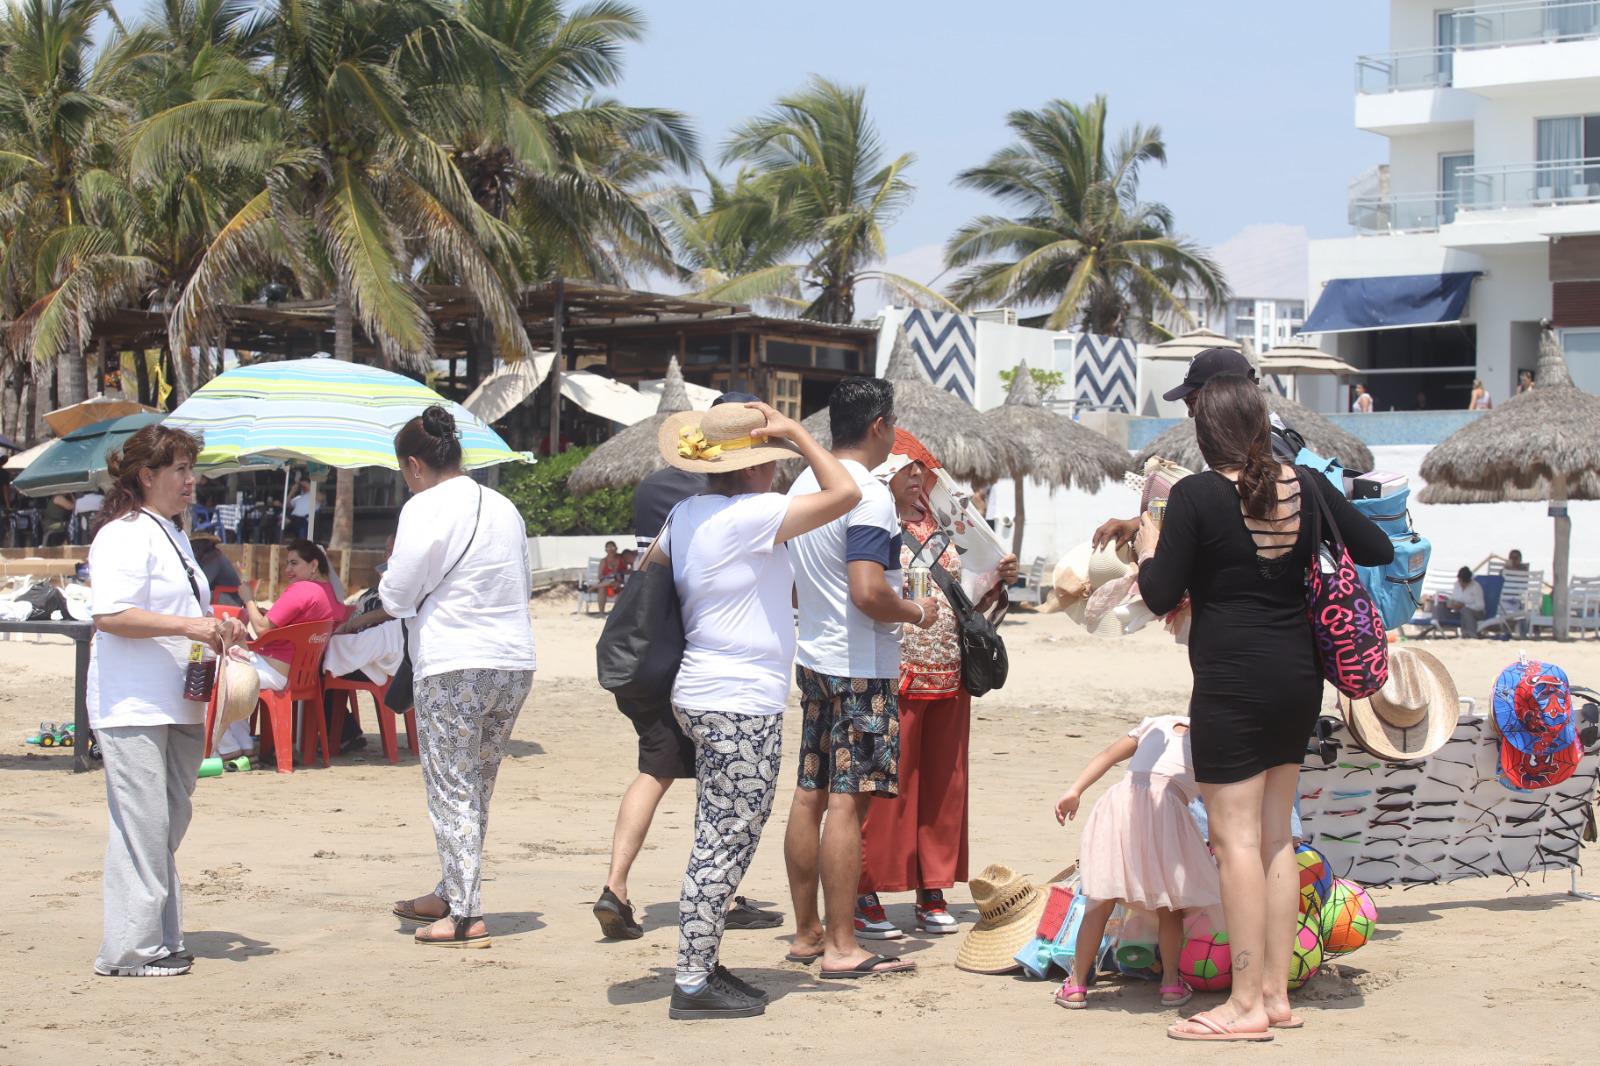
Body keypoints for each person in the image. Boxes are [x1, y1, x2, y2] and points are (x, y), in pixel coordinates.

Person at [1135, 375, 1391, 1040]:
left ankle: (1245, 1003)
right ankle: (1274, 994)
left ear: (1203, 430)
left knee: (1236, 842)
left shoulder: (1194, 495)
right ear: (1258, 424)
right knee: (1277, 837)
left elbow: (1161, 593)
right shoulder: (1303, 484)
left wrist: (1144, 545)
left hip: (1231, 682)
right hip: (1298, 678)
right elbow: (1378, 548)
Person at [651, 400, 860, 1020]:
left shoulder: (686, 512)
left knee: (719, 835)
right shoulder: (752, 514)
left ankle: (703, 960)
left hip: (700, 689)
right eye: (769, 461)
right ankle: (692, 980)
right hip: (738, 700)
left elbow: (653, 574)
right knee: (724, 842)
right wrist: (798, 434)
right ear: (750, 469)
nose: (775, 471)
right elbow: (844, 491)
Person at [594, 391, 783, 942]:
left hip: (656, 656)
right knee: (726, 791)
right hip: (713, 663)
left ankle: (617, 884)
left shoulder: (658, 493)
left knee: (654, 771)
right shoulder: (749, 507)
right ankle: (719, 897)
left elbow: (648, 572)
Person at [783, 376, 938, 980]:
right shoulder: (866, 495)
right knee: (848, 803)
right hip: (859, 666)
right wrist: (916, 611)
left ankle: (807, 933)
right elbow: (869, 591)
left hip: (817, 656)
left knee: (808, 793)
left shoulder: (805, 484)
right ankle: (844, 947)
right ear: (879, 427)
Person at [365, 407, 536, 948]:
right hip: (512, 661)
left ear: (414, 465)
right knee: (475, 786)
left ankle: (463, 913)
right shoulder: (504, 505)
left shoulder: (424, 507)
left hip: (453, 661)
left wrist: (385, 585)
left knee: (450, 786)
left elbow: (395, 596)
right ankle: (450, 888)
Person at [86, 424, 247, 977]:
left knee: (166, 821)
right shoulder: (123, 533)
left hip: (178, 700)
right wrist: (193, 626)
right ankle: (131, 949)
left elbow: (182, 618)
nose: (190, 479)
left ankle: (156, 936)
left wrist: (221, 629)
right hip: (132, 703)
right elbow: (110, 616)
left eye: (190, 467)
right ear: (146, 475)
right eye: (179, 468)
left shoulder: (173, 532)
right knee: (145, 824)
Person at [854, 429, 1018, 940]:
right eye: (909, 472)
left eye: (922, 471)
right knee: (888, 787)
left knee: (945, 787)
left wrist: (998, 575)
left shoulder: (947, 530)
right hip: (893, 673)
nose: (919, 480)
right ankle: (866, 889)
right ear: (887, 477)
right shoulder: (870, 527)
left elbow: (968, 597)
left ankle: (933, 887)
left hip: (949, 674)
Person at [1052, 715, 1220, 1011]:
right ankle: (1170, 983)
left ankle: (1076, 985)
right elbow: (1214, 797)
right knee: (1170, 906)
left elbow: (1107, 756)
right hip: (1166, 814)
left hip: (1120, 808)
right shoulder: (1213, 740)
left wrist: (1074, 790)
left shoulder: (1157, 722)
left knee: (1100, 901)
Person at [1093, 348, 1300, 551]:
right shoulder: (1258, 439)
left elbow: (1236, 510)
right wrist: (1139, 522)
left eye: (1193, 402)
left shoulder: (1266, 447)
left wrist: (1148, 552)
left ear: (1226, 394)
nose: (1192, 413)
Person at [189, 532, 243, 606]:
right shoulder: (208, 557)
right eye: (194, 543)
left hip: (231, 599)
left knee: (193, 596)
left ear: (209, 544)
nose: (197, 546)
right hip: (225, 596)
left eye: (201, 543)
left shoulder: (215, 558)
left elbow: (202, 583)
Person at [1432, 566, 1485, 638]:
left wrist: (1464, 606)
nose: (1461, 583)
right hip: (1458, 612)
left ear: (1469, 580)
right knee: (1440, 606)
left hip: (1476, 613)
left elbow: (1480, 606)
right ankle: (1436, 624)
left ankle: (1470, 634)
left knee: (1465, 610)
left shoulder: (1476, 587)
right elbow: (1454, 598)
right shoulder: (1457, 584)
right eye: (1460, 581)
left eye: (1463, 582)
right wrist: (1451, 604)